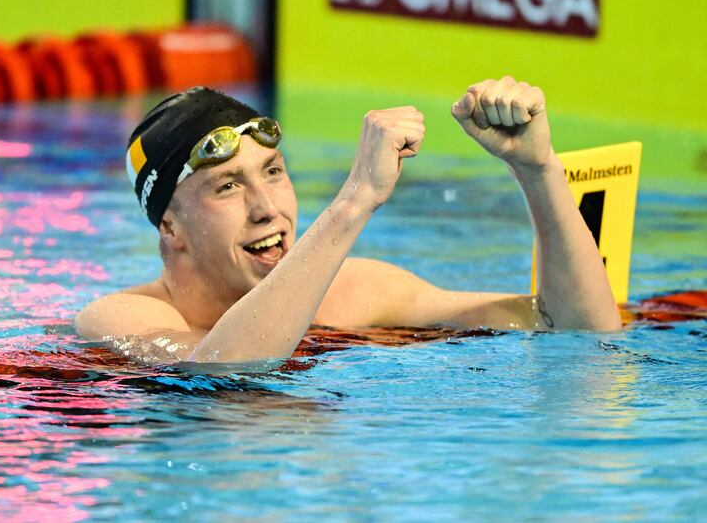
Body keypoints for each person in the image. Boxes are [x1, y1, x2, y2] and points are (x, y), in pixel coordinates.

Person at [76, 76, 621, 364]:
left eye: (272, 171)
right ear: (168, 226)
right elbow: (222, 370)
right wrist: (357, 198)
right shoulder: (119, 319)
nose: (267, 206)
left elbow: (574, 330)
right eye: (227, 185)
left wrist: (538, 170)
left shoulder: (357, 290)